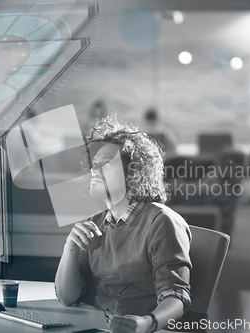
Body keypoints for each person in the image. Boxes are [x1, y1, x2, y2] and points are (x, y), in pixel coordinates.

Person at [55, 116, 192, 333]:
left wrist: (147, 323)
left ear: (134, 171)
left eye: (106, 162)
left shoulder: (161, 222)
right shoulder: (96, 221)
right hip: (98, 327)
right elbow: (67, 297)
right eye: (94, 164)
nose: (94, 169)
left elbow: (176, 296)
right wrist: (70, 248)